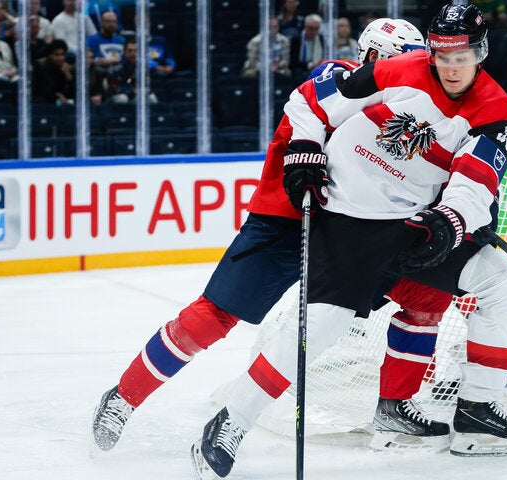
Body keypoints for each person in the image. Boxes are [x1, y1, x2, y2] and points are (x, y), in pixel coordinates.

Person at [191, 4, 507, 477]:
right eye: (443, 55)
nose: (452, 67)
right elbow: (310, 100)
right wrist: (305, 146)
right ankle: (231, 420)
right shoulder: (396, 70)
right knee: (321, 327)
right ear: (431, 51)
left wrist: (449, 222)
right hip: (350, 221)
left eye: (464, 56)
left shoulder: (497, 112)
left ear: (481, 53)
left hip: (414, 224)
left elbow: (475, 181)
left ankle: (478, 408)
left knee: (502, 279)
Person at [90, 17, 438, 455]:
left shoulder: (409, 106)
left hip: (354, 232)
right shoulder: (334, 75)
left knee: (427, 296)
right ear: (371, 58)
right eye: (396, 63)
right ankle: (123, 397)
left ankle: (394, 403)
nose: (407, 74)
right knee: (211, 318)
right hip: (287, 220)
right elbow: (322, 94)